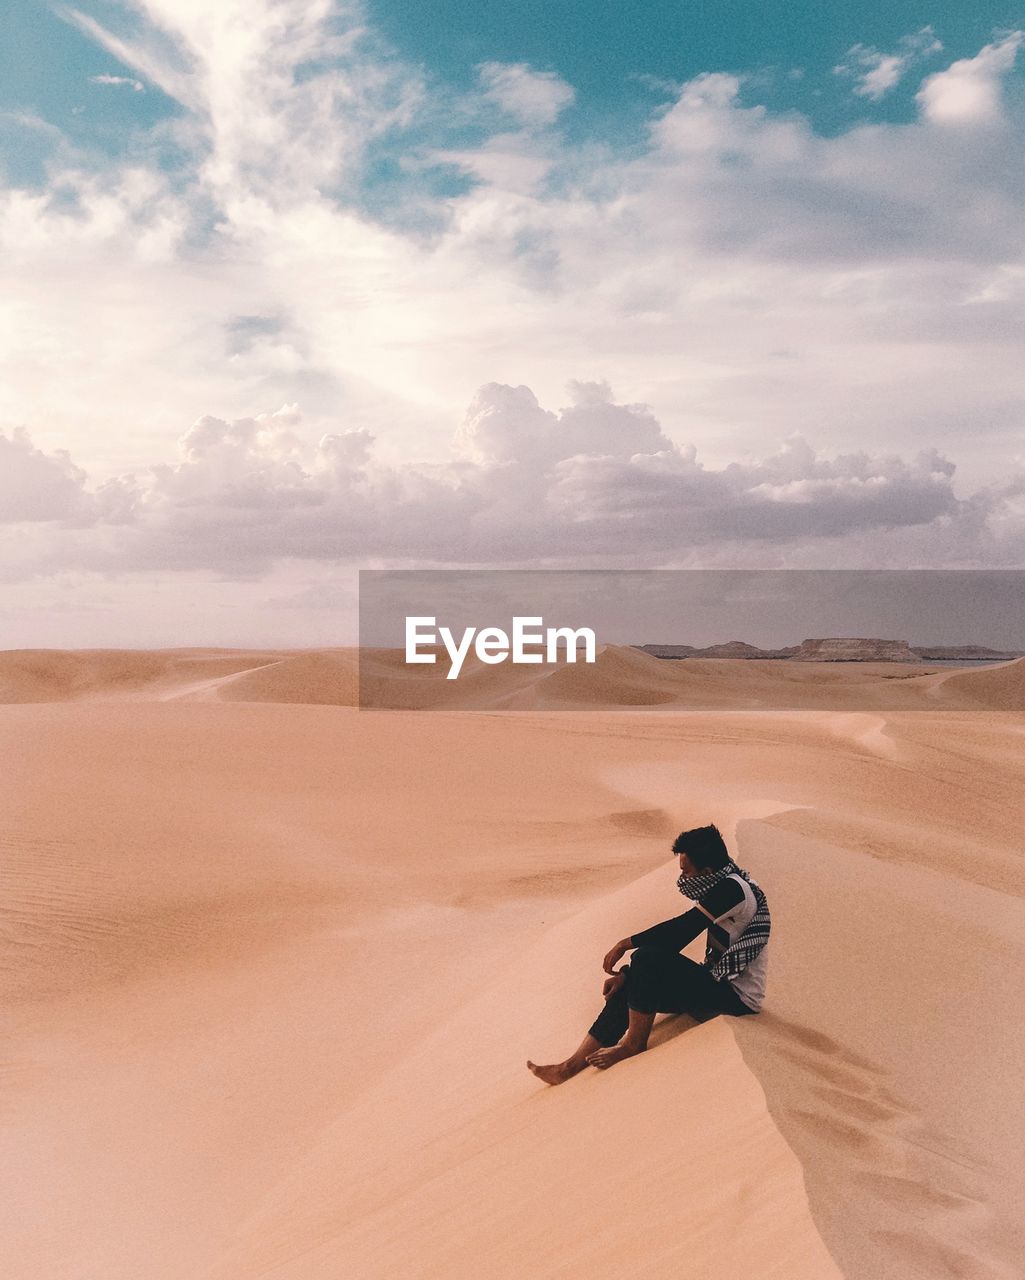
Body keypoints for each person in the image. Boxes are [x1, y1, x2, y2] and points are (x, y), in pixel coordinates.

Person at [527, 824, 770, 1085]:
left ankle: (633, 1044)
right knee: (633, 979)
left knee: (647, 957)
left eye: (686, 872)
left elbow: (681, 931)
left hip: (735, 1000)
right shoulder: (724, 881)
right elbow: (673, 942)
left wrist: (626, 943)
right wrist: (627, 974)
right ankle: (569, 1066)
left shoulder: (732, 891)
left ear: (707, 871)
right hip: (712, 983)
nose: (683, 879)